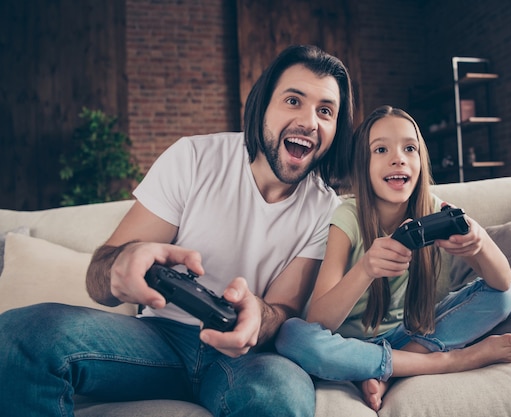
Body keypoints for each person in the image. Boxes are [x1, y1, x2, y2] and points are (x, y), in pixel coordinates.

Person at [0, 44, 354, 417]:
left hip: (245, 360)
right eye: (294, 101)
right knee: (20, 334)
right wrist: (122, 263)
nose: (310, 122)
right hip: (158, 338)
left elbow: (283, 309)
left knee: (279, 393)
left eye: (325, 111)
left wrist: (257, 317)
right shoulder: (193, 159)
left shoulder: (327, 210)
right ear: (263, 105)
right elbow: (99, 276)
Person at [275, 105, 511, 411]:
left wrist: (480, 244)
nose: (398, 158)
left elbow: (502, 284)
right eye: (381, 149)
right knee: (292, 336)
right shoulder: (347, 217)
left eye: (409, 148)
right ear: (363, 164)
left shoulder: (435, 210)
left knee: (506, 297)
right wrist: (365, 269)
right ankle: (447, 362)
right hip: (349, 344)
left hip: (407, 335)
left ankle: (387, 369)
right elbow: (319, 320)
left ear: (420, 160)